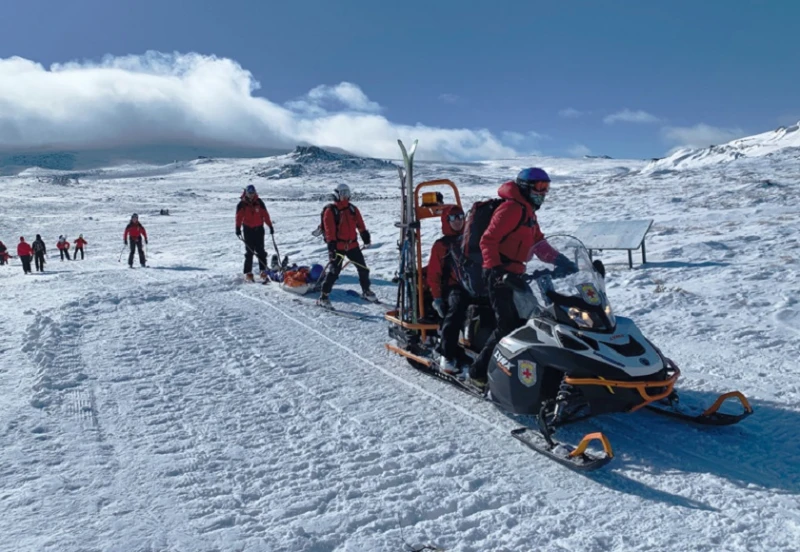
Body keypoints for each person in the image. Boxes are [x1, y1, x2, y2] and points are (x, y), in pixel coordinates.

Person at [468, 168, 576, 388]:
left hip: (516, 275)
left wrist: (561, 261)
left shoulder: (528, 212)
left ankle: (526, 367)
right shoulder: (510, 209)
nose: (543, 193)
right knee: (507, 325)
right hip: (498, 275)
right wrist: (495, 268)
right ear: (526, 188)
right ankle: (477, 373)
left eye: (547, 188)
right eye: (539, 188)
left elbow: (540, 245)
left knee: (533, 321)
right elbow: (488, 240)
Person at [426, 205, 470, 375]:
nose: (458, 220)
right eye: (453, 218)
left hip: (473, 285)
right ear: (446, 221)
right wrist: (436, 298)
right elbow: (433, 275)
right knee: (456, 310)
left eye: (460, 216)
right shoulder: (440, 246)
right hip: (452, 287)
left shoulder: (470, 240)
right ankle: (447, 355)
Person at [318, 183, 376, 308]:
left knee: (363, 269)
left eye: (347, 194)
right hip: (338, 247)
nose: (346, 197)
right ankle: (324, 296)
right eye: (343, 194)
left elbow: (360, 224)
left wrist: (365, 236)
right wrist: (331, 248)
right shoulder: (330, 211)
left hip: (352, 245)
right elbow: (330, 231)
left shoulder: (352, 209)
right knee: (334, 272)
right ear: (337, 195)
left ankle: (366, 291)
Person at [235, 184, 273, 282]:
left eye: (253, 193)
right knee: (249, 252)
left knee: (261, 251)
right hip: (248, 230)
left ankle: (263, 270)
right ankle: (248, 272)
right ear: (246, 193)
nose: (251, 195)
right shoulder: (242, 204)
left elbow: (265, 215)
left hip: (259, 229)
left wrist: (270, 226)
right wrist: (238, 228)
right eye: (249, 193)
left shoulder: (259, 203)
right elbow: (239, 217)